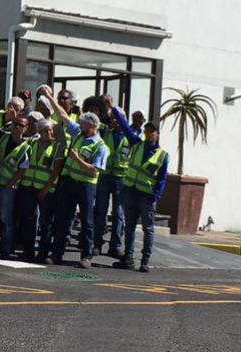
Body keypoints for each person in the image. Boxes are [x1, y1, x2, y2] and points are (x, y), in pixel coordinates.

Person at [110, 105, 169, 272]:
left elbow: (162, 179)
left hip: (146, 196)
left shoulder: (163, 155)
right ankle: (128, 258)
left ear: (157, 134)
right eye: (147, 131)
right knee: (129, 226)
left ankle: (145, 260)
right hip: (130, 191)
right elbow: (124, 125)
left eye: (152, 131)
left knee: (147, 229)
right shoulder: (137, 144)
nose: (149, 134)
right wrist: (112, 107)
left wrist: (155, 196)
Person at [49, 111, 109, 268]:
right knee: (63, 218)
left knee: (87, 221)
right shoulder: (79, 136)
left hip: (86, 186)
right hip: (69, 182)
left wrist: (77, 159)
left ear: (91, 125)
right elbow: (65, 119)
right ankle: (56, 253)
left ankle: (86, 256)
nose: (80, 125)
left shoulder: (101, 146)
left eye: (82, 122)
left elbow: (95, 170)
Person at [17, 118, 64, 263]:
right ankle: (28, 250)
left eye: (50, 130)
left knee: (45, 222)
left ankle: (43, 252)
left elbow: (56, 170)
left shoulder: (57, 147)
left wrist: (46, 188)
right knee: (29, 220)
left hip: (46, 189)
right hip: (29, 186)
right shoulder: (33, 144)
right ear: (40, 132)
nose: (49, 133)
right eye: (46, 130)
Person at [94, 96, 133, 259]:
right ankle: (97, 244)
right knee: (100, 210)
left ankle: (115, 246)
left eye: (116, 119)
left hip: (121, 179)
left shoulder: (130, 137)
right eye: (111, 119)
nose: (113, 122)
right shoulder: (105, 133)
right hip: (104, 177)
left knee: (118, 213)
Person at [0, 113, 31, 259]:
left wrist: (10, 184)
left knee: (6, 218)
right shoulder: (3, 137)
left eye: (20, 125)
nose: (16, 127)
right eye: (15, 123)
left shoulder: (25, 147)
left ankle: (5, 248)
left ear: (26, 128)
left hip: (8, 187)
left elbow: (22, 170)